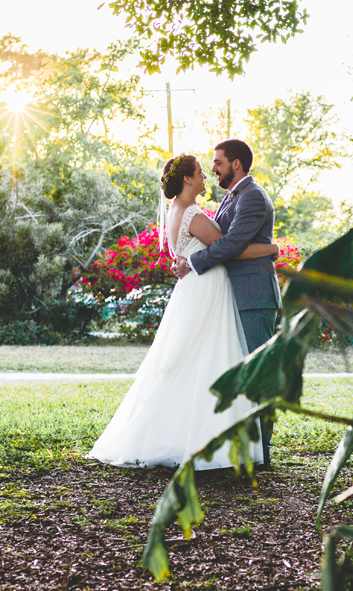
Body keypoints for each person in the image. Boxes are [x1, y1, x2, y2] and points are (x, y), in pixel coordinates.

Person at [89, 154, 276, 470]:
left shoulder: (178, 211)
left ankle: (190, 435)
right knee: (210, 358)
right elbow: (230, 248)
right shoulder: (192, 213)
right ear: (188, 179)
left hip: (194, 290)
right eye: (201, 172)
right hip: (206, 290)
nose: (206, 176)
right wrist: (272, 249)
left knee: (190, 361)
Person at [174, 139, 282, 467]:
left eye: (218, 162)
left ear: (235, 164)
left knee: (257, 373)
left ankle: (261, 452)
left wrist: (192, 263)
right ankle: (245, 444)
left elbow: (232, 244)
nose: (213, 169)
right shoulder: (231, 197)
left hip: (253, 296)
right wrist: (270, 249)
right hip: (235, 295)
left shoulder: (252, 196)